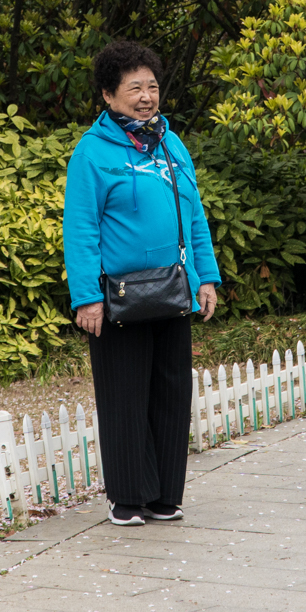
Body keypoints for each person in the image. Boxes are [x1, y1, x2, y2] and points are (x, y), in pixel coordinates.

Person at [63, 40, 222, 526]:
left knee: (172, 393)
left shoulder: (172, 145)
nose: (146, 96)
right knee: (124, 395)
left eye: (152, 86)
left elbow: (193, 217)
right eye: (134, 87)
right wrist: (87, 296)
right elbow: (81, 227)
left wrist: (206, 277)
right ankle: (128, 497)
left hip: (174, 288)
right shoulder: (91, 153)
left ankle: (164, 497)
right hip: (120, 296)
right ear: (109, 95)